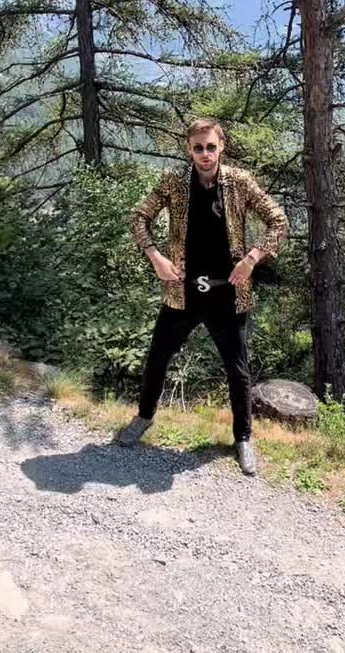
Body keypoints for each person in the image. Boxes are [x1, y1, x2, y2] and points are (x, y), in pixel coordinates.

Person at [117, 118, 289, 475]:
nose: (205, 154)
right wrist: (156, 257)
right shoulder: (174, 181)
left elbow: (278, 220)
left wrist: (251, 259)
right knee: (158, 357)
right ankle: (144, 417)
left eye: (211, 146)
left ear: (221, 146)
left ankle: (243, 438)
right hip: (182, 290)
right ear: (189, 149)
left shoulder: (239, 181)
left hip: (229, 292)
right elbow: (138, 217)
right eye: (198, 148)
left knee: (237, 369)